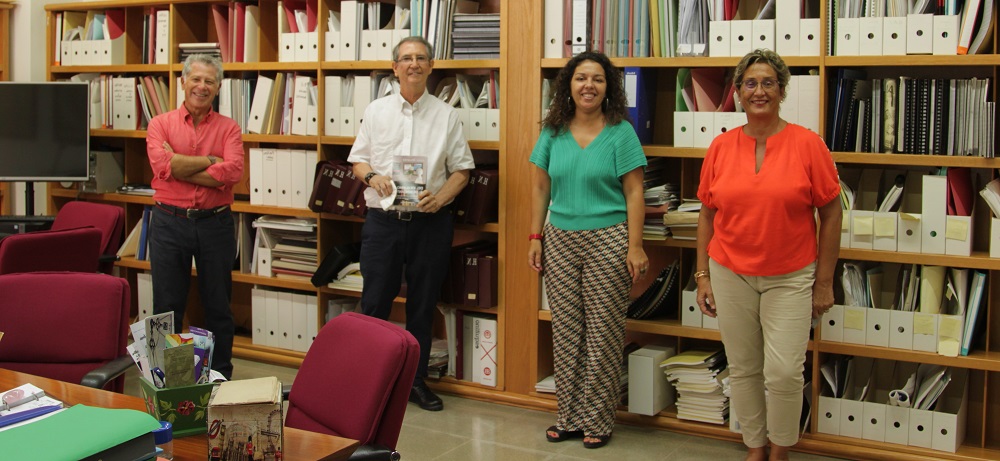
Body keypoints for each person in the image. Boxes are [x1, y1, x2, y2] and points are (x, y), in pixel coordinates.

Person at [695, 49, 842, 461]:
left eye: (768, 83)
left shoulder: (808, 145)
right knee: (743, 368)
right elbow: (708, 213)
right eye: (750, 84)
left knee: (782, 372)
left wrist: (824, 281)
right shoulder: (721, 147)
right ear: (738, 93)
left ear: (781, 90)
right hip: (730, 271)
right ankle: (755, 446)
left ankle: (781, 448)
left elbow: (831, 212)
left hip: (791, 274)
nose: (759, 91)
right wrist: (702, 275)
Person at [527, 50, 648, 449]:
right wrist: (534, 236)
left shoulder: (620, 132)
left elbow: (634, 191)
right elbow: (541, 187)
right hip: (559, 238)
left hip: (609, 239)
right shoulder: (553, 130)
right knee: (565, 331)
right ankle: (568, 416)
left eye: (597, 79)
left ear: (608, 87)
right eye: (581, 78)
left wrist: (635, 245)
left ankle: (597, 418)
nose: (589, 86)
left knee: (603, 332)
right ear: (569, 84)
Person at [348, 36, 475, 412]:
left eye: (421, 58)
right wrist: (372, 178)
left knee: (422, 305)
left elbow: (462, 171)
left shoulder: (447, 115)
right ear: (395, 67)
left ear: (431, 67)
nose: (414, 64)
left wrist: (441, 197)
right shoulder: (376, 111)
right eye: (406, 58)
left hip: (429, 224)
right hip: (383, 223)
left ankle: (415, 381)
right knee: (374, 303)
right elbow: (358, 161)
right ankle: (369, 382)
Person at [146, 54, 244, 380]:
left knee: (218, 305)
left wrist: (179, 163)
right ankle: (168, 378)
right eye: (196, 79)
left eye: (210, 81)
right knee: (166, 307)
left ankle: (219, 377)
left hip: (214, 223)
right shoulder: (160, 124)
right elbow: (163, 167)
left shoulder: (229, 128)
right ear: (183, 81)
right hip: (168, 222)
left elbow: (230, 174)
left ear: (218, 88)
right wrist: (208, 161)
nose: (202, 87)